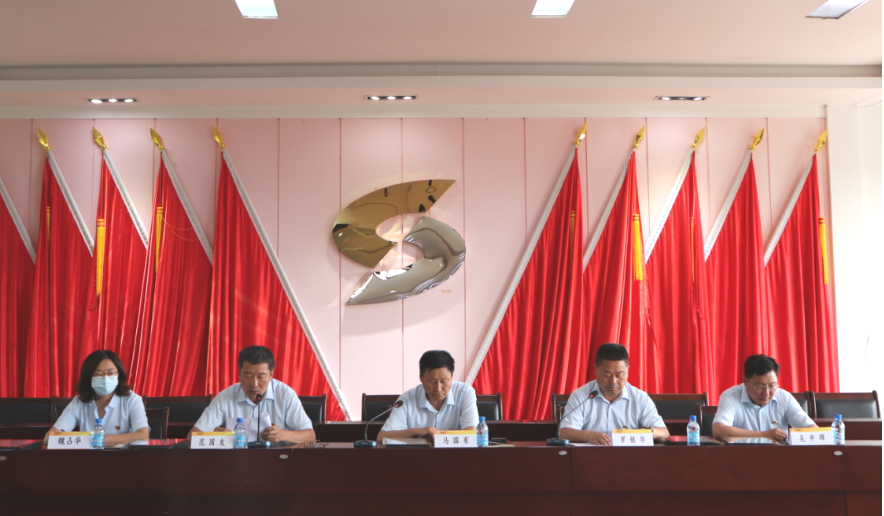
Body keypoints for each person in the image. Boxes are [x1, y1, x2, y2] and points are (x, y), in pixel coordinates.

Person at [190, 345, 315, 444]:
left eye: (261, 377)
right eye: (248, 376)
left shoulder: (285, 395)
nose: (254, 384)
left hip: (278, 459)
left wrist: (282, 435)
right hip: (237, 461)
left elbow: (311, 436)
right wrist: (215, 437)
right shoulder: (225, 397)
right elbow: (192, 437)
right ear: (239, 373)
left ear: (271, 375)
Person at [559, 343, 669, 445]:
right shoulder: (581, 396)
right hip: (591, 456)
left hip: (630, 457)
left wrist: (646, 432)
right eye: (607, 375)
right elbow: (564, 432)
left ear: (627, 371)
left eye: (619, 375)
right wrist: (588, 435)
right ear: (596, 370)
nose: (613, 381)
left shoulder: (639, 398)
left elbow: (664, 432)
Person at [43, 350, 149, 446]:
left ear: (118, 375)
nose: (105, 378)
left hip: (123, 457)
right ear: (89, 377)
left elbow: (143, 434)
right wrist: (92, 440)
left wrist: (104, 440)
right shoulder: (78, 402)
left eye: (111, 373)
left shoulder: (132, 400)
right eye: (99, 374)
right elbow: (49, 438)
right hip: (89, 458)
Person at [377, 350, 478, 442]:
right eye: (432, 381)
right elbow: (381, 437)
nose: (438, 388)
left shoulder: (464, 393)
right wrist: (416, 432)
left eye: (444, 381)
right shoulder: (407, 399)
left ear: (451, 377)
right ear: (421, 377)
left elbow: (471, 434)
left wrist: (441, 435)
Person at [713, 354, 816, 442]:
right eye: (759, 386)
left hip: (779, 457)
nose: (766, 393)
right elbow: (718, 431)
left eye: (772, 385)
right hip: (741, 456)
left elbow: (812, 429)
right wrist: (765, 435)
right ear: (745, 382)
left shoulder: (784, 397)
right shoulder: (731, 396)